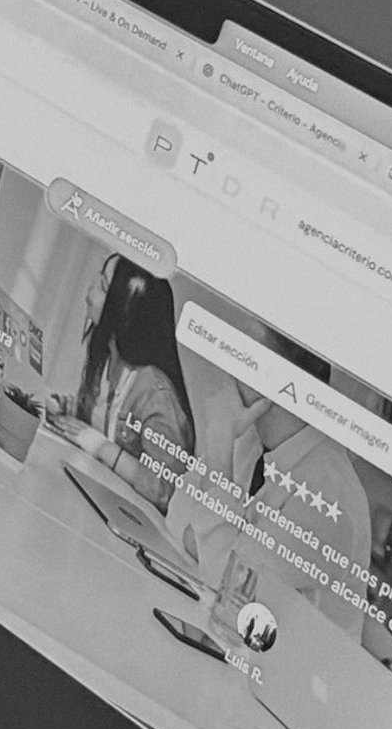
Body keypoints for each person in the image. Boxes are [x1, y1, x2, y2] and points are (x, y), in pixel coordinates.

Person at [169, 335, 373, 639]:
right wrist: (213, 543)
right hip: (218, 639)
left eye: (244, 357)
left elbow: (229, 592)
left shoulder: (329, 496)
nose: (229, 368)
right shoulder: (252, 438)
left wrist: (219, 448)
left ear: (277, 383)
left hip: (276, 662)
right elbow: (176, 518)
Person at [57, 257, 194, 508]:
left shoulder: (155, 392)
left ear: (127, 309)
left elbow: (164, 489)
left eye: (103, 285)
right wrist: (62, 408)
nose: (90, 288)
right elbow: (95, 419)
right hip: (90, 491)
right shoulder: (106, 353)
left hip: (125, 511)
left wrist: (103, 448)